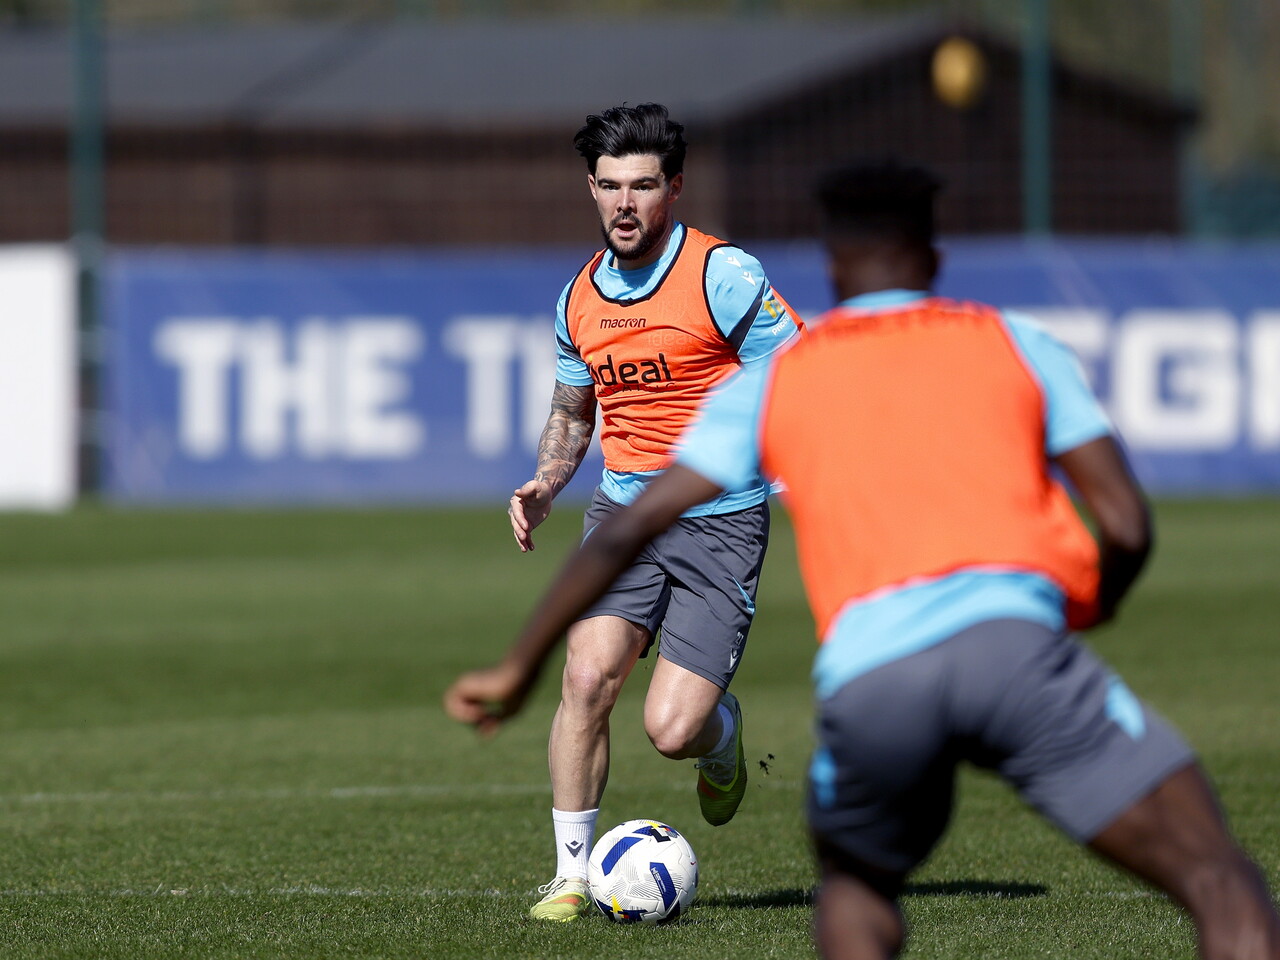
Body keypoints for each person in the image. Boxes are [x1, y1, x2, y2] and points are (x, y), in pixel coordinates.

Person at [445, 159, 1280, 957]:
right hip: (1022, 656)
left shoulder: (788, 379)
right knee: (1219, 880)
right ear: (936, 255)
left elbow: (629, 530)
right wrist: (1091, 606)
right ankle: (569, 868)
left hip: (875, 676)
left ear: (833, 266)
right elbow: (1127, 524)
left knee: (852, 902)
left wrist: (519, 668)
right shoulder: (1017, 342)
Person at [501, 103, 803, 922]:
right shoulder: (577, 301)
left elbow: (800, 373)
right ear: (591, 190)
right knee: (587, 677)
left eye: (641, 185)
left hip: (721, 518)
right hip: (623, 518)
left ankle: (724, 739)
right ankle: (568, 877)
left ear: (674, 186)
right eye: (608, 186)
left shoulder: (721, 274)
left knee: (672, 730)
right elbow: (573, 408)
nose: (624, 203)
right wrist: (545, 480)